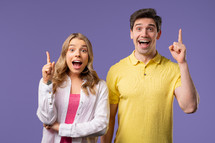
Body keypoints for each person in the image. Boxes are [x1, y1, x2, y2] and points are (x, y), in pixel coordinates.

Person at [101, 8, 199, 143]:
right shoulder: (116, 70)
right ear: (131, 33)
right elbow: (109, 118)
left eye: (150, 29)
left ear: (158, 34)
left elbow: (190, 107)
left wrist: (182, 63)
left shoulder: (173, 69)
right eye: (139, 29)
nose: (144, 34)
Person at [37, 33, 109, 143]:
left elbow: (101, 126)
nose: (77, 54)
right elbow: (47, 119)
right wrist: (47, 83)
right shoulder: (52, 82)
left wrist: (60, 128)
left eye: (83, 50)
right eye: (72, 50)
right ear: (65, 55)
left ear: (88, 57)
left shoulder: (100, 86)